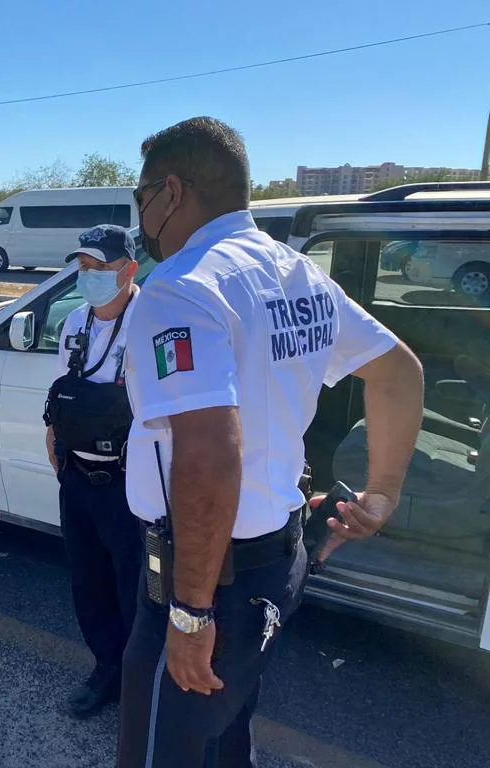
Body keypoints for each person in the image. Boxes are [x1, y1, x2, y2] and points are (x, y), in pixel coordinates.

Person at [115, 117, 425, 767]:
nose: (140, 216)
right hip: (275, 567)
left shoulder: (181, 287)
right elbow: (400, 372)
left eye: (141, 197)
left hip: (209, 579)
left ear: (172, 191)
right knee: (227, 734)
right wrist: (383, 494)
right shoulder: (300, 275)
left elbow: (209, 456)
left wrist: (190, 614)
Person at [43, 224, 144, 719]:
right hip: (78, 475)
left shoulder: (150, 323)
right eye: (84, 267)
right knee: (88, 581)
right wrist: (54, 437)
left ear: (130, 269)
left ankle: (140, 680)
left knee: (135, 585)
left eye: (100, 267)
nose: (89, 276)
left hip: (130, 484)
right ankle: (107, 669)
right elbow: (62, 386)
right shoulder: (74, 323)